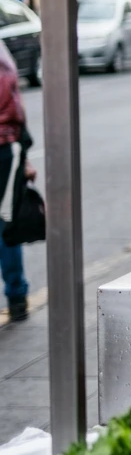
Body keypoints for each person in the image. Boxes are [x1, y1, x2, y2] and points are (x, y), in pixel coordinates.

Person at [0, 41, 33, 322]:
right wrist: (25, 154)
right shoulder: (2, 54)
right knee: (6, 223)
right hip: (6, 147)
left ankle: (17, 295)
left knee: (6, 224)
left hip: (6, 145)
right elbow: (16, 106)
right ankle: (17, 297)